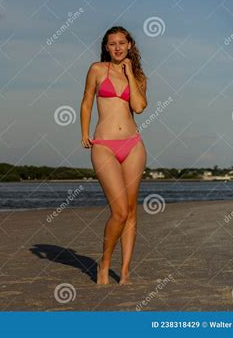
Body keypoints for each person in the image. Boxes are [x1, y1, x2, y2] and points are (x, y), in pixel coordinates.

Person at [80, 26, 148, 285]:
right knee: (119, 211)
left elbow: (139, 107)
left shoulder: (139, 76)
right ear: (106, 47)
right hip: (104, 145)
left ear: (130, 45)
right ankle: (105, 263)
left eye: (122, 42)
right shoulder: (97, 69)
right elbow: (86, 100)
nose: (117, 47)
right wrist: (84, 132)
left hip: (133, 145)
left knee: (131, 210)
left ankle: (126, 271)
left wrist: (130, 73)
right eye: (112, 44)